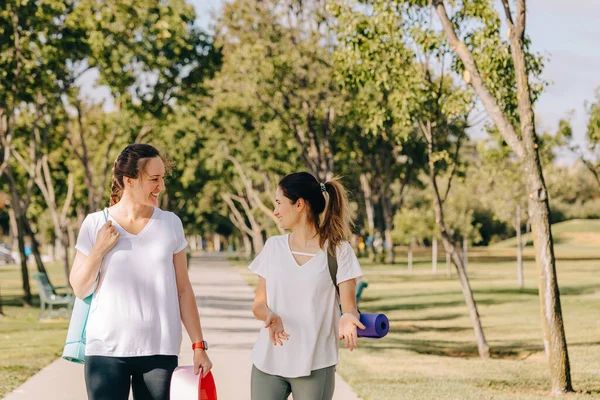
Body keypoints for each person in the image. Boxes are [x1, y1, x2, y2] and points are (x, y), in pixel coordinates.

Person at [69, 144, 212, 400]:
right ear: (130, 181)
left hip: (159, 351)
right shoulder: (95, 224)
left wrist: (198, 345)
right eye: (154, 179)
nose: (162, 186)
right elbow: (79, 288)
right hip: (106, 350)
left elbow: (183, 291)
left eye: (162, 179)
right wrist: (98, 250)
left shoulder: (171, 224)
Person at [249, 172, 365, 400]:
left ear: (299, 204)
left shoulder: (338, 252)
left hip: (315, 362)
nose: (275, 211)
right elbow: (258, 305)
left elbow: (349, 307)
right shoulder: (273, 247)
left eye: (279, 203)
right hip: (269, 362)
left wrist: (348, 318)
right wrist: (269, 314)